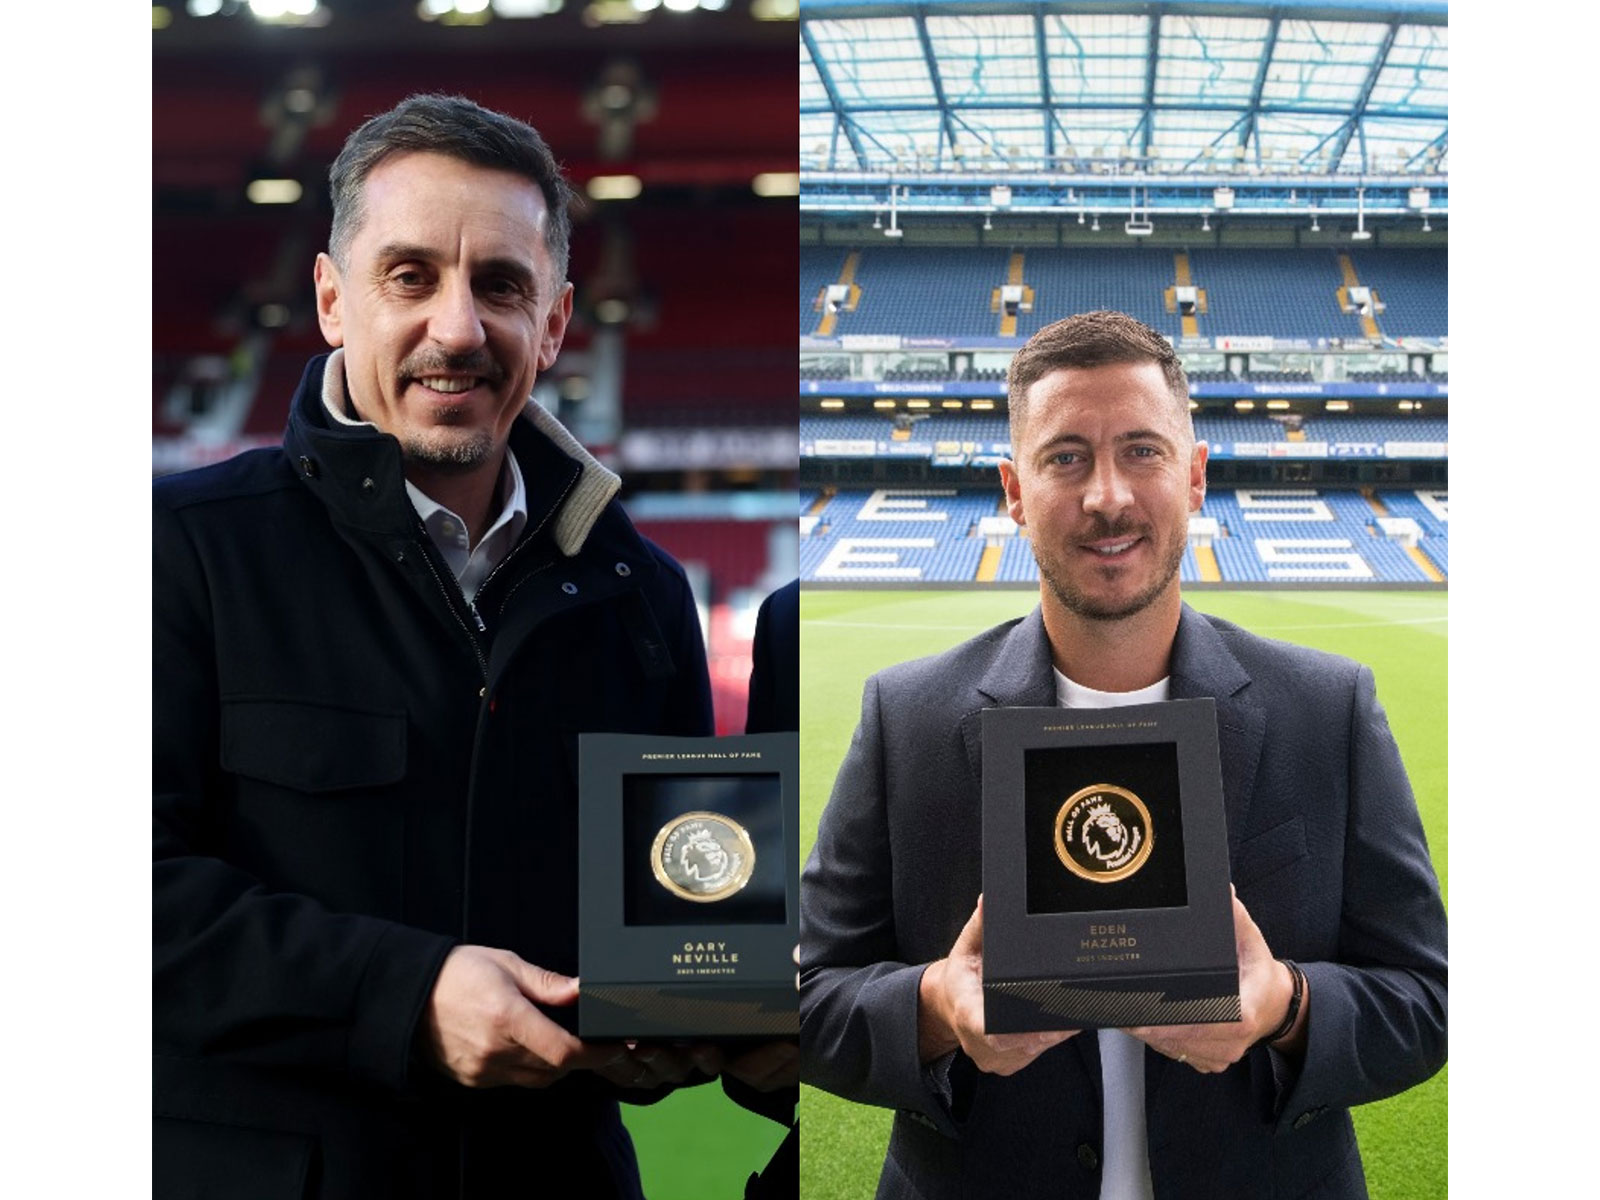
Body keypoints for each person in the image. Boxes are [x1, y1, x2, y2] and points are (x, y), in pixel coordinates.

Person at [154, 94, 771, 1199]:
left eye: (500, 283)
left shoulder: (644, 595)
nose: (457, 327)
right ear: (333, 301)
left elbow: (682, 922)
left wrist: (706, 1020)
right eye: (409, 277)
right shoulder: (180, 554)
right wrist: (406, 995)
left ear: (556, 320)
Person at [798, 311, 1447, 1198]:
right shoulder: (906, 717)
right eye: (1066, 456)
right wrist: (934, 1009)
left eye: (1143, 450)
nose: (1108, 495)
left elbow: (1425, 1000)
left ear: (1195, 477)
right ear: (1014, 491)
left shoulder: (1327, 708)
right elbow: (807, 997)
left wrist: (1288, 1007)